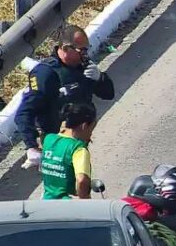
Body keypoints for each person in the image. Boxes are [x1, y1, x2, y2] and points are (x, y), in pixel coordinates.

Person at [16, 24, 115, 169]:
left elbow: (108, 94)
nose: (85, 54)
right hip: (56, 141)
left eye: (86, 49)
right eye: (81, 50)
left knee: (80, 180)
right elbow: (25, 111)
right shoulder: (46, 73)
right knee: (65, 183)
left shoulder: (84, 67)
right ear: (65, 48)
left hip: (80, 137)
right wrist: (31, 146)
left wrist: (100, 78)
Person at [38, 102, 96, 200]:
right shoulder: (78, 149)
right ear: (84, 126)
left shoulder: (48, 139)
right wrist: (86, 201)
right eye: (91, 128)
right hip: (67, 205)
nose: (91, 133)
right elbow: (81, 180)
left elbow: (42, 167)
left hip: (46, 201)